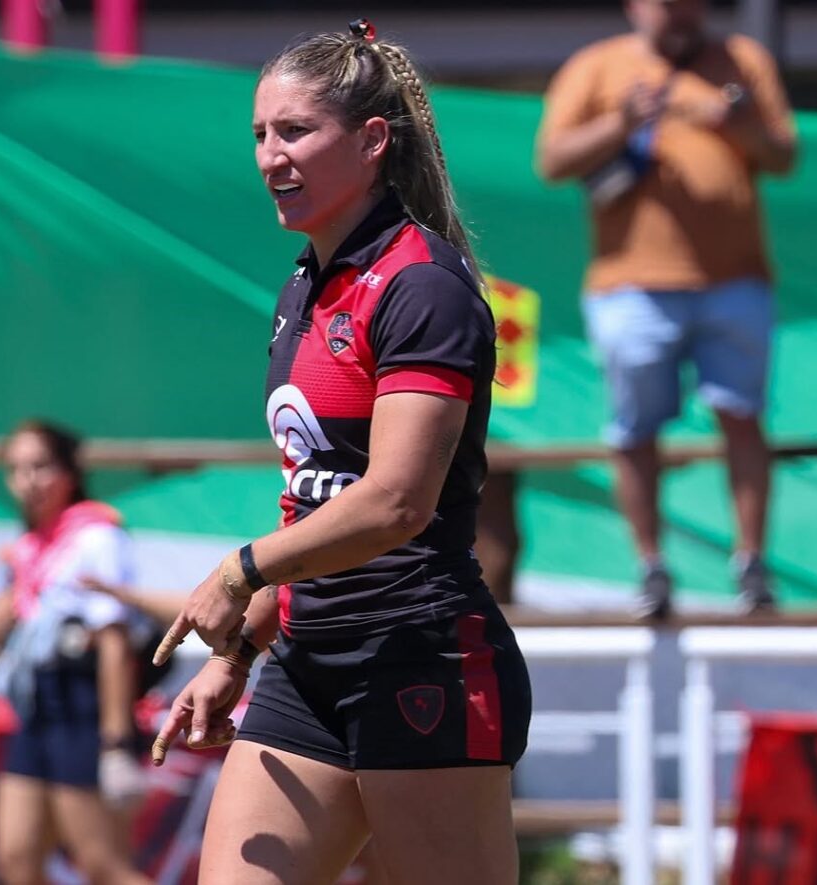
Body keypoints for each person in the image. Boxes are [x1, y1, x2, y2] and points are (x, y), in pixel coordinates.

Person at [150, 20, 532, 885]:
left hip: (421, 657)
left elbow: (397, 502)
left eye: (295, 132)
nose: (270, 157)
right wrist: (237, 652)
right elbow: (313, 503)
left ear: (370, 142)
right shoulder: (302, 286)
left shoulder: (422, 285)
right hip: (308, 665)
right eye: (259, 134)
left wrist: (240, 569)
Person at [535, 0, 797, 618]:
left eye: (689, 7)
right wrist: (622, 122)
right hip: (630, 284)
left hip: (736, 279)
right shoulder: (596, 66)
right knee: (634, 429)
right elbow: (552, 162)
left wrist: (733, 123)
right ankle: (650, 567)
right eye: (665, 7)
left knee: (742, 416)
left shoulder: (743, 61)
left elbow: (784, 157)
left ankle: (751, 565)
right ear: (636, 8)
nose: (678, 18)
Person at [0, 420, 152, 885]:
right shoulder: (30, 548)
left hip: (83, 707)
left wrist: (115, 744)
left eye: (40, 466)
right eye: (16, 469)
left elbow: (115, 644)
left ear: (69, 472)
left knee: (103, 865)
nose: (27, 481)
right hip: (36, 711)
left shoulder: (97, 536)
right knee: (15, 858)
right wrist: (15, 583)